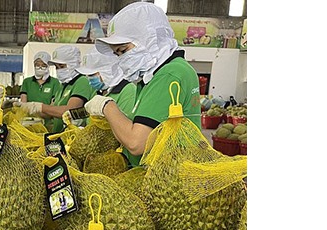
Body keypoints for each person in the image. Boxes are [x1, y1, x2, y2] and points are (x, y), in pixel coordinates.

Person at [85, 2, 201, 167]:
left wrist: (106, 106)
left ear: (150, 40)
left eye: (123, 50)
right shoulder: (150, 77)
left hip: (167, 182)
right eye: (117, 54)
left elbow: (136, 143)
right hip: (155, 178)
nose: (121, 59)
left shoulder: (169, 74)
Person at [18, 45, 95, 133]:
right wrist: (26, 108)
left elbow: (69, 112)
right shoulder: (63, 86)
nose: (59, 70)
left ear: (73, 64)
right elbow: (52, 112)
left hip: (74, 137)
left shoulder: (82, 82)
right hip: (60, 135)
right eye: (56, 67)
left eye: (62, 66)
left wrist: (39, 107)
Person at [75, 50, 137, 118]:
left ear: (106, 72)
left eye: (91, 75)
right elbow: (90, 111)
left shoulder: (128, 90)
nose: (89, 78)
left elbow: (123, 121)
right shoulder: (100, 91)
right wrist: (74, 115)